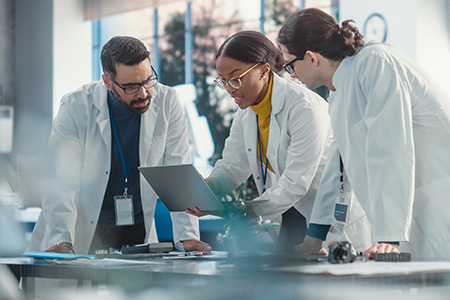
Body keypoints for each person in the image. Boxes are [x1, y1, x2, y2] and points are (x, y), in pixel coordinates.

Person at [277, 8, 450, 260]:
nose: (292, 75)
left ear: (312, 57)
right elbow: (339, 166)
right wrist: (315, 235)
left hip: (437, 207)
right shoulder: (341, 89)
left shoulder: (376, 63)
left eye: (290, 66)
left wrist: (388, 237)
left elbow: (391, 148)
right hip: (415, 216)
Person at [29, 36, 211, 254]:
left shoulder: (167, 101)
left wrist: (187, 237)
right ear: (108, 82)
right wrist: (62, 239)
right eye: (131, 86)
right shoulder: (75, 106)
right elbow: (61, 182)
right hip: (84, 229)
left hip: (138, 228)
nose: (143, 93)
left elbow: (177, 173)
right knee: (75, 285)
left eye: (147, 80)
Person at [186, 30, 335, 252]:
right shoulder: (247, 111)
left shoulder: (305, 108)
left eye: (235, 79)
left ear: (264, 70)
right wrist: (210, 189)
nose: (229, 89)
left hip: (323, 222)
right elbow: (233, 165)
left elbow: (295, 184)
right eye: (223, 80)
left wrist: (237, 211)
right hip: (287, 221)